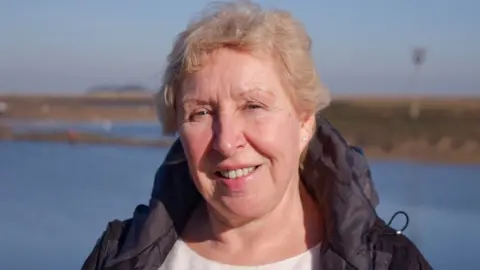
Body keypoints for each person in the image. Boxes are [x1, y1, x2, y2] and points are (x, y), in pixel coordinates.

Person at [82, 1, 431, 269]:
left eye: (253, 106)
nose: (225, 140)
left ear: (305, 122)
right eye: (200, 113)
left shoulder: (386, 263)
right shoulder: (120, 256)